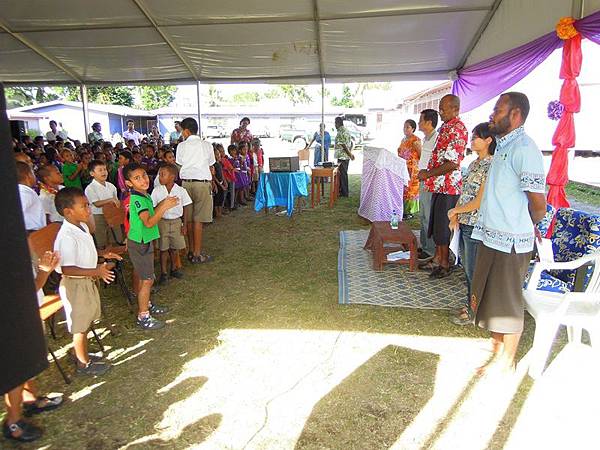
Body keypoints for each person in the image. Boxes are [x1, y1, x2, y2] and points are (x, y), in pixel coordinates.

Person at [470, 92, 546, 375]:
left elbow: (538, 204)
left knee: (508, 302)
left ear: (515, 115)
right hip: (492, 235)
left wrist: (524, 227)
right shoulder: (503, 145)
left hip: (512, 240)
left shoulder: (524, 149)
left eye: (497, 110)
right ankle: (496, 348)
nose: (492, 114)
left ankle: (506, 363)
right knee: (492, 296)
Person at [53, 187, 118, 375]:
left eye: (88, 205)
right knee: (79, 327)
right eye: (84, 206)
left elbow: (84, 252)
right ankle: (83, 363)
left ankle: (80, 353)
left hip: (85, 280)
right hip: (75, 285)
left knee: (87, 319)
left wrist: (102, 254)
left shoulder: (80, 226)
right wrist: (97, 270)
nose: (88, 209)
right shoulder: (66, 236)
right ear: (68, 212)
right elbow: (67, 268)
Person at [3, 250, 64, 443]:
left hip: (25, 309)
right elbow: (22, 292)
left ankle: (30, 399)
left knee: (27, 358)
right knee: (17, 364)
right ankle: (13, 422)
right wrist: (44, 272)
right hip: (14, 313)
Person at [447, 123, 495, 326]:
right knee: (467, 268)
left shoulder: (491, 165)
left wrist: (456, 211)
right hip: (465, 222)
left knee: (473, 271)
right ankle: (470, 304)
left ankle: (475, 310)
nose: (472, 140)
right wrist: (456, 215)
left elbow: (479, 201)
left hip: (477, 224)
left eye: (476, 137)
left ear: (489, 141)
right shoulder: (474, 164)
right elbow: (465, 193)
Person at [418, 94, 467, 279]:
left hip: (449, 186)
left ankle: (445, 263)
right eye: (439, 108)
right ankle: (438, 257)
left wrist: (427, 174)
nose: (440, 112)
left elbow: (453, 163)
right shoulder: (446, 127)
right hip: (439, 185)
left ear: (455, 109)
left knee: (444, 226)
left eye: (443, 109)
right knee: (436, 224)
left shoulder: (458, 129)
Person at [123, 162, 178, 330]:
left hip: (144, 241)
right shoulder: (137, 199)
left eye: (144, 175)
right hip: (139, 243)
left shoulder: (143, 195)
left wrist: (162, 204)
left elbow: (151, 212)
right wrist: (164, 208)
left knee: (146, 277)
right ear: (128, 183)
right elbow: (148, 222)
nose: (143, 180)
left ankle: (146, 304)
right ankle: (143, 316)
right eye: (137, 178)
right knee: (147, 279)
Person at [176, 117, 216, 264]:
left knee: (190, 219)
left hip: (186, 184)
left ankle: (192, 251)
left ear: (186, 130)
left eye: (181, 131)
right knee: (198, 220)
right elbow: (211, 164)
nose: (181, 134)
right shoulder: (206, 145)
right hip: (202, 184)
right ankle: (198, 254)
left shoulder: (181, 146)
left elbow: (179, 163)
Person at [151, 164, 192, 285]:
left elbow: (186, 207)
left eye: (163, 174)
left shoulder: (180, 190)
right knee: (163, 249)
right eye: (159, 174)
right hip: (162, 222)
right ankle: (163, 273)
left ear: (172, 177)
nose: (159, 177)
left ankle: (174, 268)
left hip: (176, 222)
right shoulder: (157, 190)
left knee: (174, 248)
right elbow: (153, 208)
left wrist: (184, 224)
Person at [84, 160, 122, 249]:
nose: (104, 172)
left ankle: (113, 256)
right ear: (92, 173)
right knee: (101, 237)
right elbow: (96, 203)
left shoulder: (111, 186)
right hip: (98, 215)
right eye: (100, 170)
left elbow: (115, 201)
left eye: (105, 169)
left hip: (111, 214)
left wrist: (117, 204)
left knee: (113, 236)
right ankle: (103, 256)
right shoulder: (90, 188)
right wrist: (110, 200)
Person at [417, 109, 438, 261]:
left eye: (421, 120)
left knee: (428, 216)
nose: (419, 123)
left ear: (429, 122)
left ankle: (430, 250)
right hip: (423, 180)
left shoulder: (436, 138)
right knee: (423, 214)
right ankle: (424, 245)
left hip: (431, 181)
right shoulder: (426, 138)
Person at [397, 119, 422, 219]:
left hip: (413, 170)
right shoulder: (403, 140)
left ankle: (409, 212)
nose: (405, 129)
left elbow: (421, 155)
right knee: (403, 188)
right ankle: (403, 210)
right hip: (403, 168)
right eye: (404, 127)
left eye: (407, 127)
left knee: (411, 190)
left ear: (413, 129)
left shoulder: (416, 140)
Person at [16, 162, 45, 232]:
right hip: (32, 232)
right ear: (28, 175)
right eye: (33, 173)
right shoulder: (25, 193)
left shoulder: (23, 191)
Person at [333, 117, 355, 197]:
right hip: (345, 156)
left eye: (335, 123)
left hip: (342, 156)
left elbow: (343, 145)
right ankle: (342, 191)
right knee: (343, 174)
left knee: (342, 174)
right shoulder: (346, 130)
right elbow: (351, 143)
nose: (335, 125)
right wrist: (350, 153)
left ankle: (344, 192)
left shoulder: (340, 132)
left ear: (338, 123)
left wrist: (350, 154)